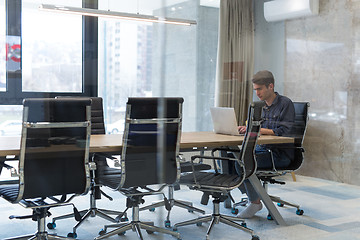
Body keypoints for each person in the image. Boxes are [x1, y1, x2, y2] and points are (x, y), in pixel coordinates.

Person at [236, 70, 295, 219]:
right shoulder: (257, 106)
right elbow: (254, 128)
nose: (257, 93)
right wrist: (247, 129)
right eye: (255, 89)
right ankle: (241, 195)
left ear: (270, 86)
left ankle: (255, 202)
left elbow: (285, 131)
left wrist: (258, 129)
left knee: (243, 162)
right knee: (229, 155)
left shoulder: (285, 104)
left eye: (259, 89)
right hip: (261, 149)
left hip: (279, 155)